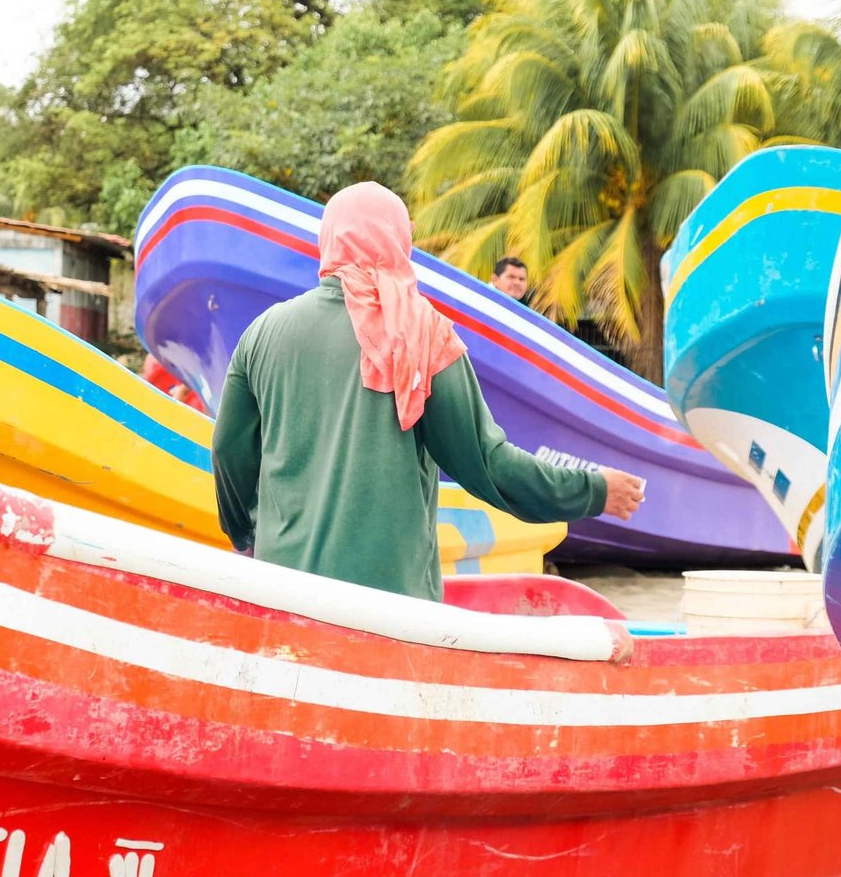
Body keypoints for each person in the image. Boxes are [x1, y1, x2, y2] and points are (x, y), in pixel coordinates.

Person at [211, 182, 644, 601]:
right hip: (392, 607)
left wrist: (246, 533)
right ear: (400, 242)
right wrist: (593, 490)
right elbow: (489, 466)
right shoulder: (421, 335)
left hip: (282, 594)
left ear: (329, 240)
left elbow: (229, 454)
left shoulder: (262, 334)